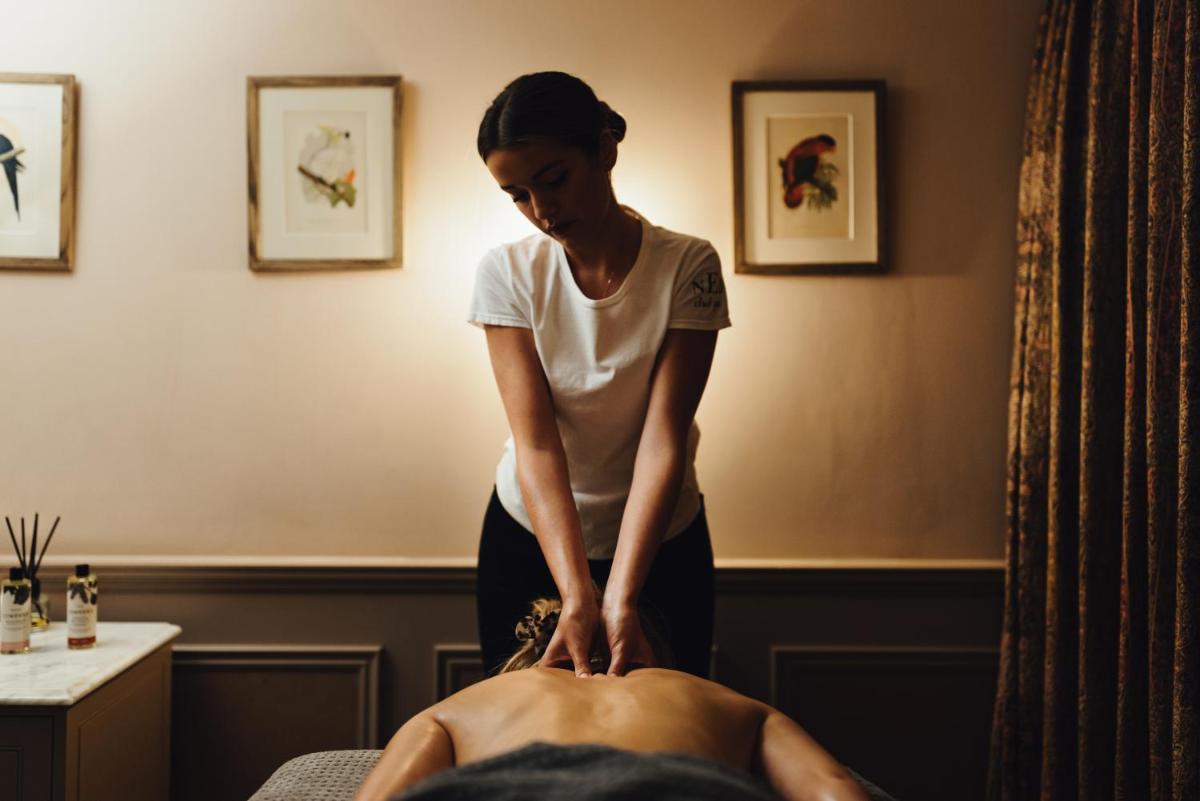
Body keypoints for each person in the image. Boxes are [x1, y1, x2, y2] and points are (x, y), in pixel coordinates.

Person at [469, 70, 730, 679]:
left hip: (662, 540)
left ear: (604, 150)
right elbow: (537, 444)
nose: (541, 211)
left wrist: (622, 596)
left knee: (667, 722)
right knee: (525, 724)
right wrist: (578, 593)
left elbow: (663, 439)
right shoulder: (506, 272)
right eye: (517, 195)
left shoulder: (689, 265)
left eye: (554, 180)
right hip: (530, 536)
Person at [352, 598, 874, 801]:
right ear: (653, 654)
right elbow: (832, 790)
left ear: (533, 656)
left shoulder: (463, 705)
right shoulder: (729, 701)